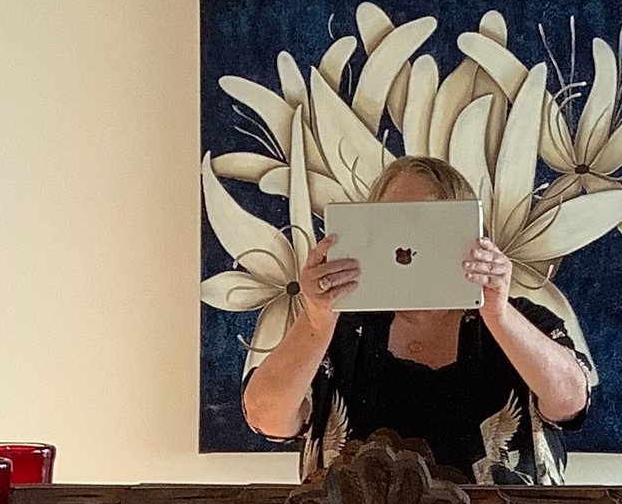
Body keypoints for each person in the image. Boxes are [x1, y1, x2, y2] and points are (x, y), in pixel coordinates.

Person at [241, 156, 596, 483]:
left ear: (467, 229)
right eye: (392, 221)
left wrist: (499, 315)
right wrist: (316, 318)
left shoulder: (522, 320)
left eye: (428, 222)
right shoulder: (337, 331)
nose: (408, 242)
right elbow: (265, 416)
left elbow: (570, 402)